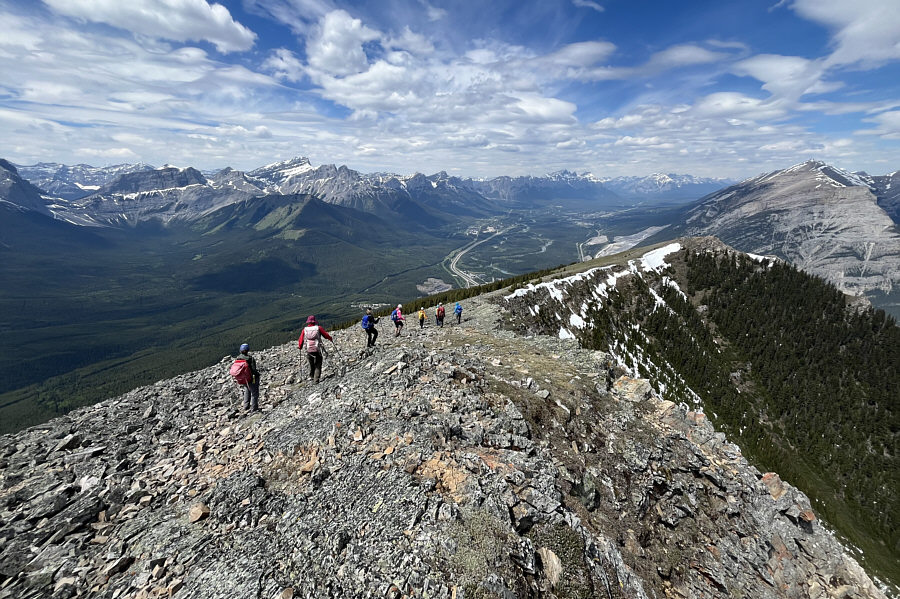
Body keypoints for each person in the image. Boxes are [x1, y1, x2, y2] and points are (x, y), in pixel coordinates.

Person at [298, 315, 332, 383]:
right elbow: (326, 335)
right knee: (318, 364)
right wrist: (330, 339)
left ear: (308, 322)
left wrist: (300, 347)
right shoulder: (318, 328)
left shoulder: (305, 329)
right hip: (317, 349)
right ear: (314, 321)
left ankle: (311, 376)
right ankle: (316, 380)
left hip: (309, 350)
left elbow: (301, 340)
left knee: (311, 364)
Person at [236, 343, 261, 412]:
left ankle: (246, 406)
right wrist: (257, 375)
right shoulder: (250, 359)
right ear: (247, 350)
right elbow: (253, 370)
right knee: (254, 393)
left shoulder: (238, 358)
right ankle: (254, 408)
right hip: (251, 378)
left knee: (247, 390)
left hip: (243, 379)